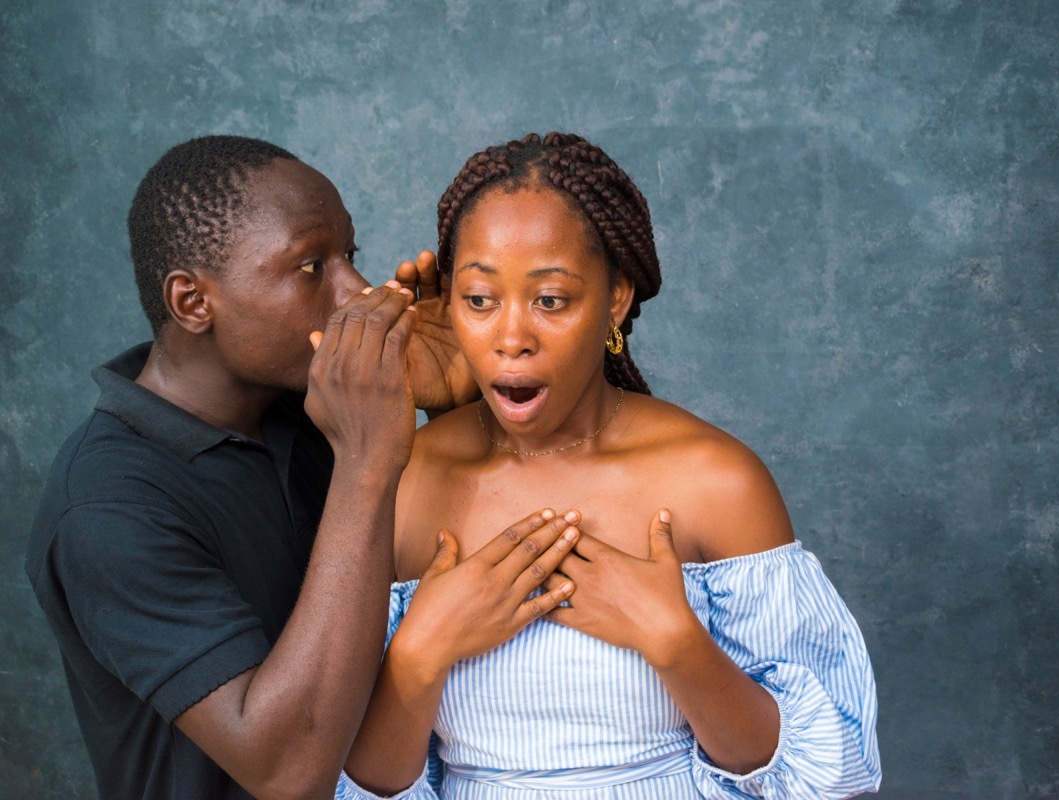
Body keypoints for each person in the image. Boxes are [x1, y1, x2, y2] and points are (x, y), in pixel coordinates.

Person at [25, 135, 582, 800]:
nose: (357, 291)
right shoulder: (107, 508)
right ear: (193, 302)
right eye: (312, 267)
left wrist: (458, 411)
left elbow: (439, 575)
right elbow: (288, 770)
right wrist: (367, 460)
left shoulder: (311, 407)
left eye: (350, 255)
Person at [337, 132, 882, 799]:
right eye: (480, 300)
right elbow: (355, 784)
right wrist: (419, 656)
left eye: (551, 301)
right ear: (448, 304)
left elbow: (822, 774)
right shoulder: (405, 480)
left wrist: (675, 642)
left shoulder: (714, 481)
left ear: (617, 298)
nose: (511, 339)